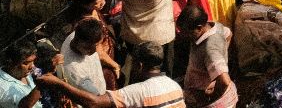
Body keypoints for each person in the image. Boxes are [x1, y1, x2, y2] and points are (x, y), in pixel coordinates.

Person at [37, 44, 179, 108]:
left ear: (140, 65)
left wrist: (59, 84)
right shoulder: (175, 86)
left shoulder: (138, 92)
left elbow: (94, 103)